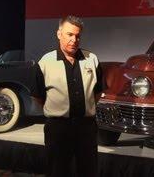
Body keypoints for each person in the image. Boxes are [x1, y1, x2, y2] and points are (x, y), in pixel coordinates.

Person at [32, 15, 103, 177]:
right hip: (58, 129)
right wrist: (57, 112)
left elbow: (97, 93)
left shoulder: (92, 59)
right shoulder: (45, 62)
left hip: (86, 128)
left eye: (78, 36)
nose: (74, 39)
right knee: (56, 170)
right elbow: (37, 96)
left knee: (88, 170)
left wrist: (84, 110)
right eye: (69, 34)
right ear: (59, 34)